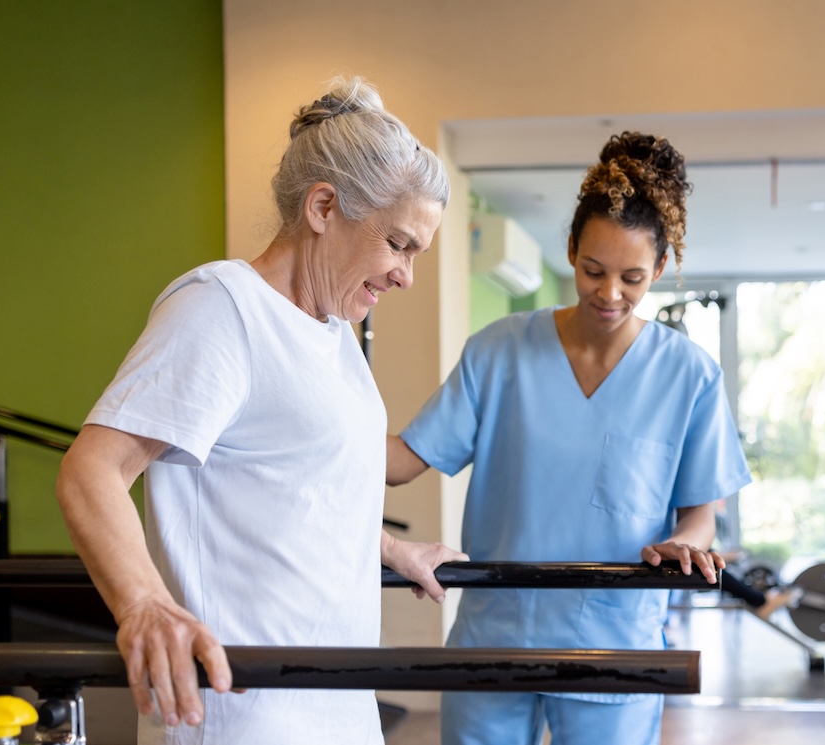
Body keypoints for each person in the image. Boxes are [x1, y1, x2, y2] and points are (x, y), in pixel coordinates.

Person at [56, 77, 468, 745]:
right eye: (399, 244)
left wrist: (387, 546)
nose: (405, 274)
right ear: (324, 206)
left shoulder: (333, 330)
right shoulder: (221, 309)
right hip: (242, 712)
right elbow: (91, 470)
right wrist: (145, 604)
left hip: (336, 701)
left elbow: (295, 484)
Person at [386, 132, 751, 745]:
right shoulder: (498, 351)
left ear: (660, 268)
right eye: (593, 270)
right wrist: (314, 425)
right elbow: (400, 462)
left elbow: (700, 517)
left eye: (633, 277)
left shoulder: (689, 375)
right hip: (494, 639)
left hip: (614, 642)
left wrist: (683, 545)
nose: (610, 294)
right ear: (572, 251)